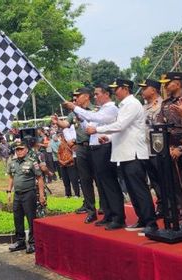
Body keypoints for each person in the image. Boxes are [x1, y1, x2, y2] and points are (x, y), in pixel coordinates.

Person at [86, 79, 157, 234]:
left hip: (134, 153)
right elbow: (124, 130)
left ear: (125, 89)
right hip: (125, 153)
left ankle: (151, 222)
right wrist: (109, 138)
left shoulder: (131, 104)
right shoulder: (124, 105)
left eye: (116, 88)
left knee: (139, 189)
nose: (114, 92)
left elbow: (120, 126)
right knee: (132, 190)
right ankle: (143, 219)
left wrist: (97, 129)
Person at [65, 84, 125, 230]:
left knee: (109, 184)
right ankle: (109, 214)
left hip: (104, 147)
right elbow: (89, 125)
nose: (95, 97)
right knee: (103, 184)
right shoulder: (102, 110)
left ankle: (118, 217)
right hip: (96, 148)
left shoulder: (111, 108)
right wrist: (79, 115)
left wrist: (75, 108)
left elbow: (94, 118)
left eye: (97, 94)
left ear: (106, 94)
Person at [52, 88, 97, 224]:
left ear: (86, 97)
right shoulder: (74, 112)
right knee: (85, 179)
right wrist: (57, 122)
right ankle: (90, 210)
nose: (75, 98)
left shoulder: (95, 110)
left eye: (78, 96)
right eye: (74, 96)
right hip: (81, 147)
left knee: (100, 178)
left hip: (95, 146)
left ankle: (106, 208)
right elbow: (66, 124)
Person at [156, 72, 182, 223]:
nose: (165, 86)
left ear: (178, 83)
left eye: (168, 83)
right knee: (178, 185)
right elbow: (161, 125)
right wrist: (167, 147)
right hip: (171, 147)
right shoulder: (165, 103)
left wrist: (181, 148)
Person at [7, 142, 46, 254]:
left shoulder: (32, 162)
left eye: (21, 149)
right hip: (17, 194)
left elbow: (39, 178)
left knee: (31, 218)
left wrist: (42, 195)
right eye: (17, 149)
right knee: (17, 218)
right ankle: (20, 241)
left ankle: (33, 243)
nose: (19, 151)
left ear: (26, 150)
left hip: (29, 193)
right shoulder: (13, 163)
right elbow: (11, 177)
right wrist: (9, 191)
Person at [139, 79, 164, 217]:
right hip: (146, 149)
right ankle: (162, 205)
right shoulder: (143, 107)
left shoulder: (162, 104)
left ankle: (172, 205)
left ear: (153, 90)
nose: (142, 91)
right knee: (154, 181)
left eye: (145, 88)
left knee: (164, 179)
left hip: (160, 149)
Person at [58, 133, 80, 197]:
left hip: (71, 164)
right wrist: (60, 161)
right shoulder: (60, 145)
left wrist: (67, 161)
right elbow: (58, 153)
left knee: (74, 180)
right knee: (65, 180)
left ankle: (77, 194)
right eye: (61, 137)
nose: (62, 138)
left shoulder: (72, 144)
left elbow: (74, 154)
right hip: (62, 165)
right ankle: (68, 194)